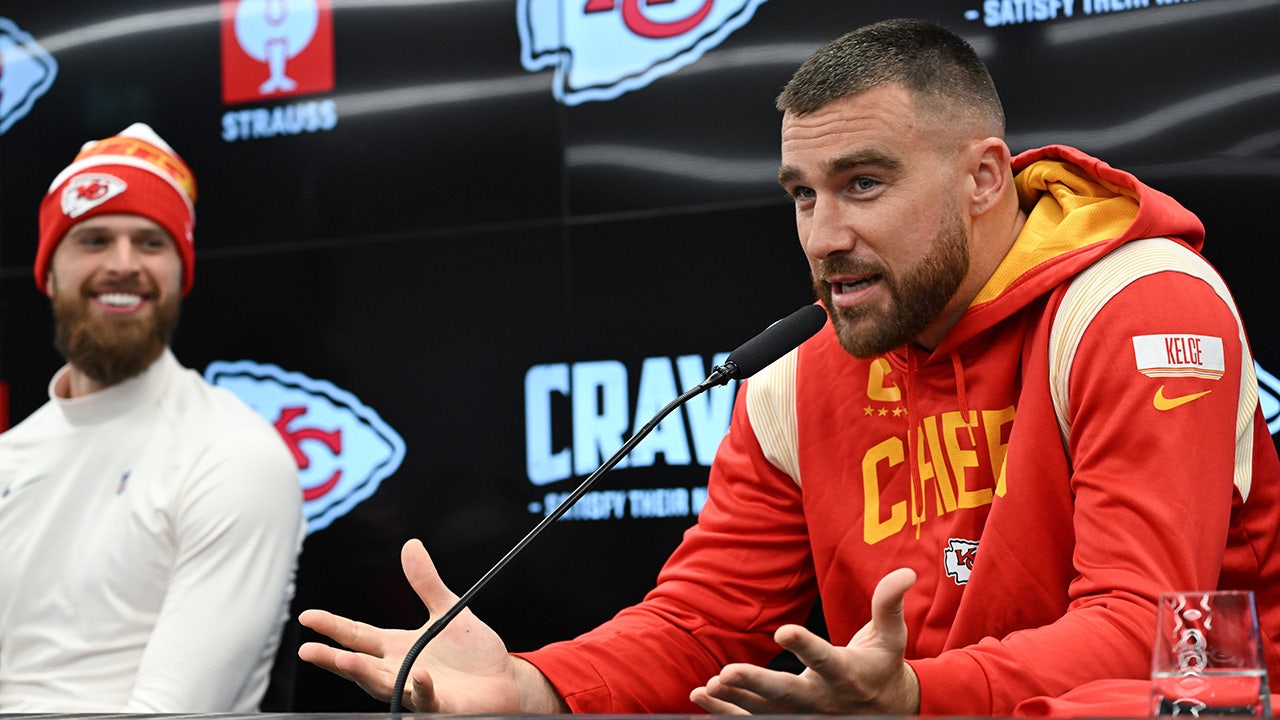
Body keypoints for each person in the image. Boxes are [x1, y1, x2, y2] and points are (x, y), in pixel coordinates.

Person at [297, 18, 1280, 716]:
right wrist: (537, 685)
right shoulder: (801, 372)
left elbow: (1147, 632)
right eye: (803, 195)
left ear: (983, 177)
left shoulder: (1134, 305)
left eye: (863, 183)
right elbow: (703, 623)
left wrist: (916, 698)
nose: (823, 235)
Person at [0, 123, 306, 713]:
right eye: (93, 240)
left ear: (179, 274)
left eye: (150, 242)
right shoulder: (10, 455)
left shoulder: (233, 453)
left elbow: (171, 714)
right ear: (49, 272)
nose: (123, 264)